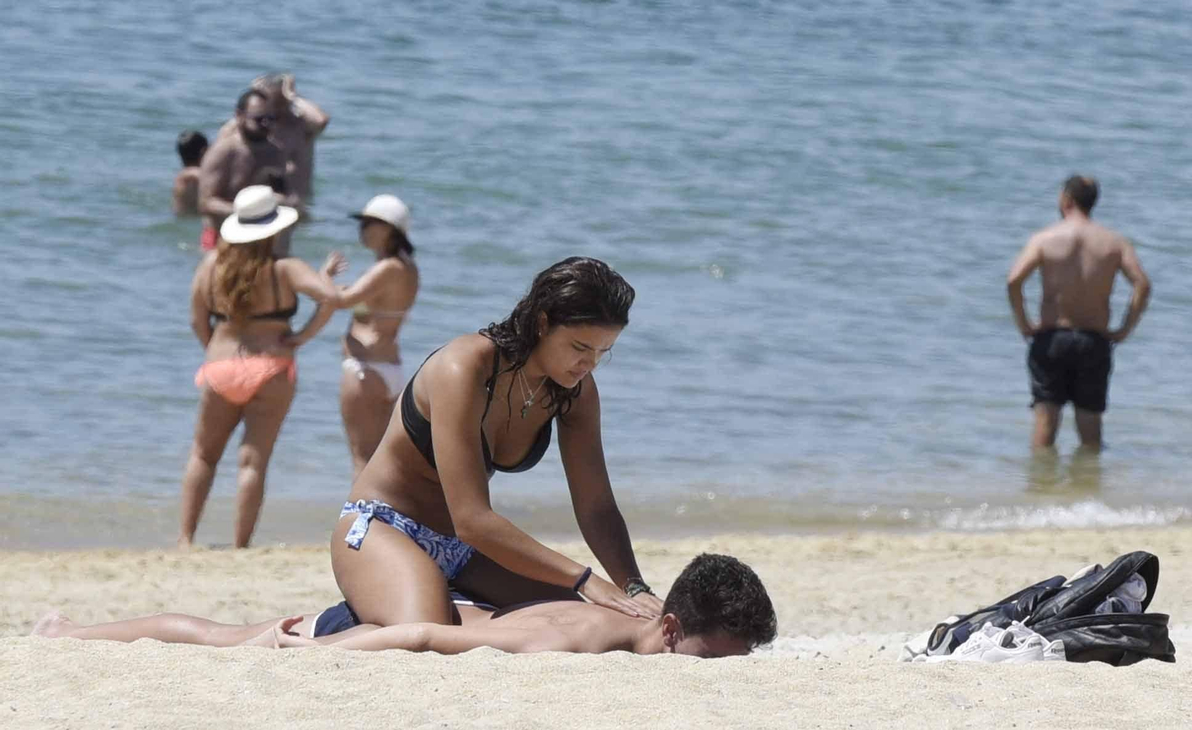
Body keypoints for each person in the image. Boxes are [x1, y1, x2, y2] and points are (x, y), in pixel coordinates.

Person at [330, 256, 663, 630]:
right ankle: (317, 628)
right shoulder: (464, 367)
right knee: (428, 633)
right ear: (542, 323)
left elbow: (596, 506)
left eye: (603, 352)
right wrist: (585, 579)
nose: (590, 364)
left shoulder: (574, 392)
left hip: (464, 551)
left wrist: (634, 589)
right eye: (580, 347)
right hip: (383, 528)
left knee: (578, 618)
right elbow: (472, 520)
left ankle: (438, 598)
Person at [31, 553, 777, 659]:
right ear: (673, 625)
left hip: (424, 610)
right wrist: (322, 655)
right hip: (374, 627)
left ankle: (72, 627)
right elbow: (421, 635)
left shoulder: (642, 633)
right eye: (711, 665)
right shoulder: (580, 637)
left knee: (223, 634)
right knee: (224, 638)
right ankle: (67, 629)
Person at [181, 186, 342, 549]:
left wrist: (214, 350)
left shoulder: (212, 264)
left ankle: (185, 538)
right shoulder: (285, 268)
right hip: (272, 366)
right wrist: (301, 336)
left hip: (220, 365)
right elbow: (330, 298)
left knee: (204, 454)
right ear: (275, 228)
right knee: (253, 462)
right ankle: (241, 544)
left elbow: (196, 318)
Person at [1005, 175, 1153, 450]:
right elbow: (1142, 284)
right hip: (1093, 341)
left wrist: (1024, 324)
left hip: (1051, 339)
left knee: (1046, 424)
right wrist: (1124, 329)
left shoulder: (1044, 239)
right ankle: (1088, 489)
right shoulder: (1114, 242)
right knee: (1090, 427)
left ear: (1066, 199)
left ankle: (1041, 489)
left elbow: (1013, 281)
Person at [297, 195, 420, 476]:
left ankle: (358, 520)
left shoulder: (387, 268)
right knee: (383, 461)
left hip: (365, 370)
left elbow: (341, 301)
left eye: (368, 223)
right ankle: (382, 518)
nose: (361, 229)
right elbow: (360, 301)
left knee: (362, 460)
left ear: (389, 229)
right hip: (391, 369)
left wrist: (323, 275)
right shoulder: (407, 268)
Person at [197, 89, 292, 251]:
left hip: (260, 237)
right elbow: (206, 203)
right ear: (239, 116)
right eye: (259, 119)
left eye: (271, 118)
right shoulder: (223, 151)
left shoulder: (277, 152)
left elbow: (282, 193)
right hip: (220, 236)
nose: (266, 124)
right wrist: (246, 211)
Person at [218, 72, 330, 206]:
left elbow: (321, 120)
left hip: (295, 206)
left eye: (277, 101)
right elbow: (224, 136)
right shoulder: (251, 127)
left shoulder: (300, 126)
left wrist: (292, 96)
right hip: (254, 205)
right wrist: (253, 101)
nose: (273, 107)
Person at [172, 131, 208, 216]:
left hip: (184, 218)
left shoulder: (183, 174)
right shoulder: (190, 174)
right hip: (187, 218)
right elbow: (206, 177)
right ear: (204, 152)